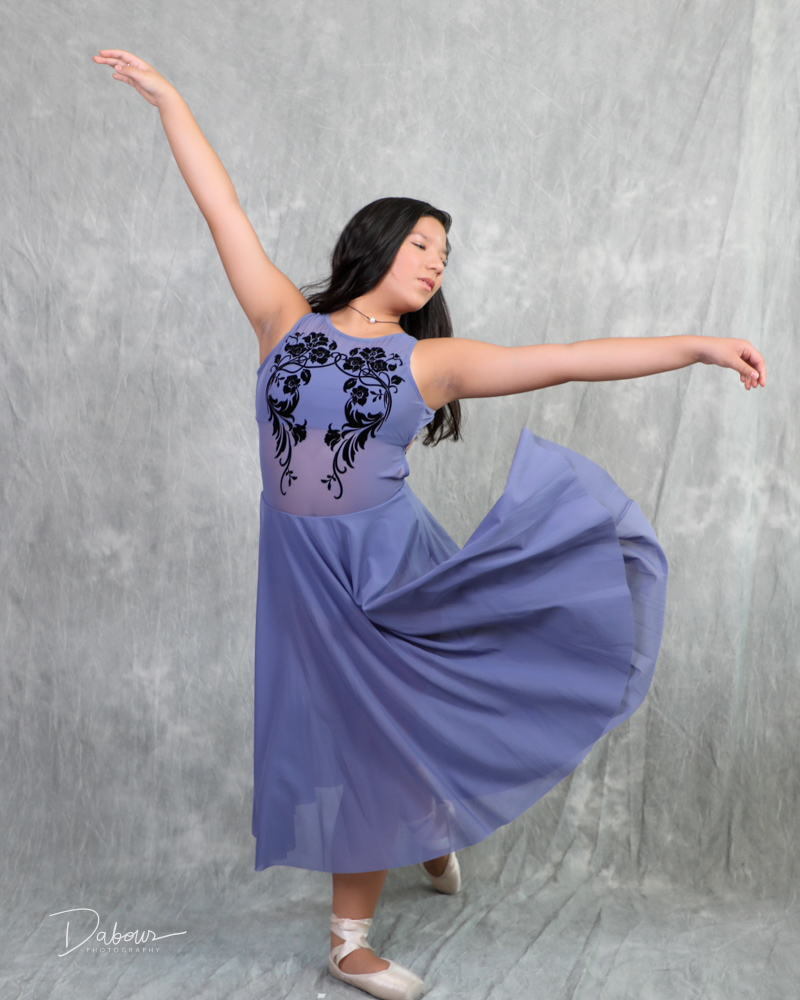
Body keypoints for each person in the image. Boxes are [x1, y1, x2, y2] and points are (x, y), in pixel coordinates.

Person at [94, 49, 767, 1000]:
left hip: (387, 569)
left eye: (444, 253)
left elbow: (568, 356)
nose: (435, 261)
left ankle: (350, 939)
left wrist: (699, 345)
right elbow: (222, 207)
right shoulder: (282, 320)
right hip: (302, 568)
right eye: (421, 243)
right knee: (347, 721)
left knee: (375, 727)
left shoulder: (429, 362)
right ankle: (427, 829)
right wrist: (169, 99)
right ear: (372, 244)